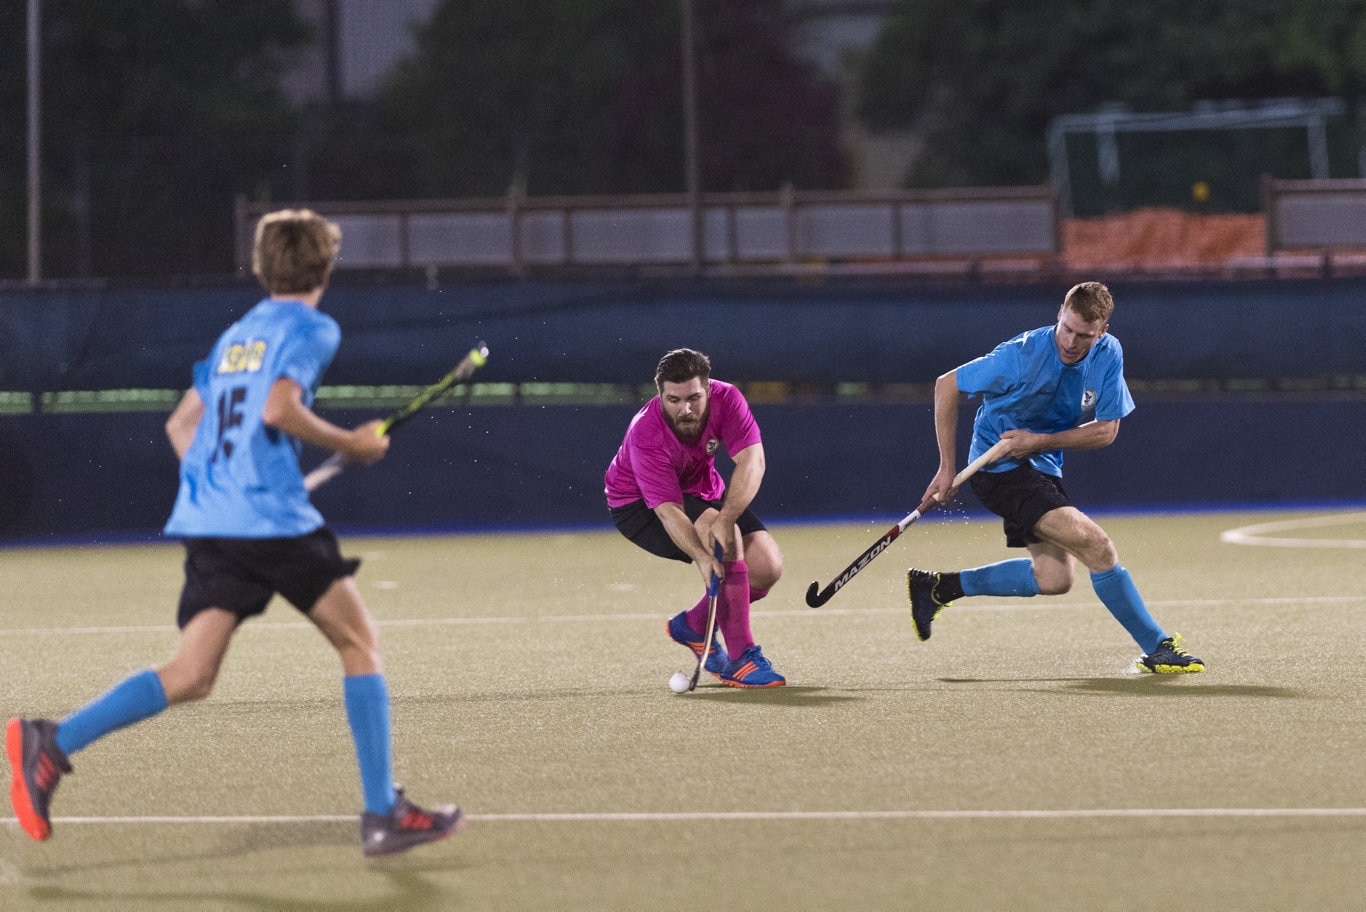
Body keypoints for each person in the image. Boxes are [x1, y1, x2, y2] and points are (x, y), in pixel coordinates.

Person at [6, 209, 465, 856]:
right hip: (268, 522)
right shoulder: (312, 326)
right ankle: (383, 812)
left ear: (261, 267)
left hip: (214, 522)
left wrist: (220, 490)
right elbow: (279, 406)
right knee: (360, 643)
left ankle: (50, 742)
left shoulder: (236, 336)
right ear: (325, 269)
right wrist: (350, 444)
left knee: (192, 673)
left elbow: (180, 427)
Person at [907, 281, 1204, 673]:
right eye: (1067, 328)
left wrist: (1037, 441)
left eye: (1084, 335)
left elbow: (1106, 430)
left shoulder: (1107, 354)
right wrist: (947, 467)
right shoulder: (1020, 354)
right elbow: (947, 385)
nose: (1071, 341)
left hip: (1040, 465)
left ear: (1103, 332)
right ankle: (1157, 647)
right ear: (1058, 316)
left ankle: (938, 587)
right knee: (1097, 546)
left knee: (1054, 577)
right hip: (997, 470)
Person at [605, 348, 786, 687]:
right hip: (638, 505)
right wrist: (702, 556)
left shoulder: (727, 399)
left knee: (767, 567)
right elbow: (668, 510)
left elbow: (753, 462)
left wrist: (726, 515)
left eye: (693, 398)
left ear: (708, 388)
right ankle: (740, 658)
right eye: (673, 400)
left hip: (701, 489)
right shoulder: (646, 432)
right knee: (723, 539)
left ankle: (693, 625)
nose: (684, 409)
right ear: (660, 393)